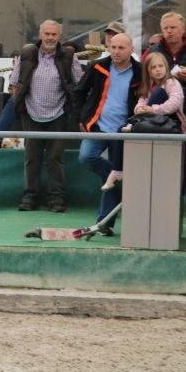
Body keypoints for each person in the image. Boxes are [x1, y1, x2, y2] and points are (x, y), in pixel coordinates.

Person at [11, 20, 84, 213]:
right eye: (47, 34)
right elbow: (14, 83)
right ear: (41, 34)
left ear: (59, 36)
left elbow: (79, 84)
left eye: (54, 34)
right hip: (30, 113)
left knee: (55, 158)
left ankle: (56, 199)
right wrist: (19, 102)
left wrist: (74, 108)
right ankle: (29, 198)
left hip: (59, 114)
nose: (50, 38)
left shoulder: (69, 56)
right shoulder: (27, 53)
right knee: (31, 158)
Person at [74, 34, 141, 233]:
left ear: (131, 50)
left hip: (125, 130)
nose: (116, 51)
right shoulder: (97, 66)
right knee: (86, 157)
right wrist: (82, 118)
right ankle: (121, 177)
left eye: (121, 48)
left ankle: (104, 223)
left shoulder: (141, 71)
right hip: (98, 125)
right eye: (113, 47)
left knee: (113, 174)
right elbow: (79, 92)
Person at [141, 12, 186, 115]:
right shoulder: (151, 52)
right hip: (155, 111)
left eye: (173, 27)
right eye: (165, 28)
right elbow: (141, 80)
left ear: (183, 29)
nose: (169, 31)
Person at [122, 51, 186, 138]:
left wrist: (152, 109)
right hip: (152, 121)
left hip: (171, 122)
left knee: (159, 92)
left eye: (161, 66)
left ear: (166, 67)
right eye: (153, 67)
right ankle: (135, 123)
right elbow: (141, 102)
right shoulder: (148, 85)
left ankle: (134, 124)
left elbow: (174, 104)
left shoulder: (172, 82)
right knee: (120, 129)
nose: (158, 69)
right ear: (148, 71)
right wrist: (139, 109)